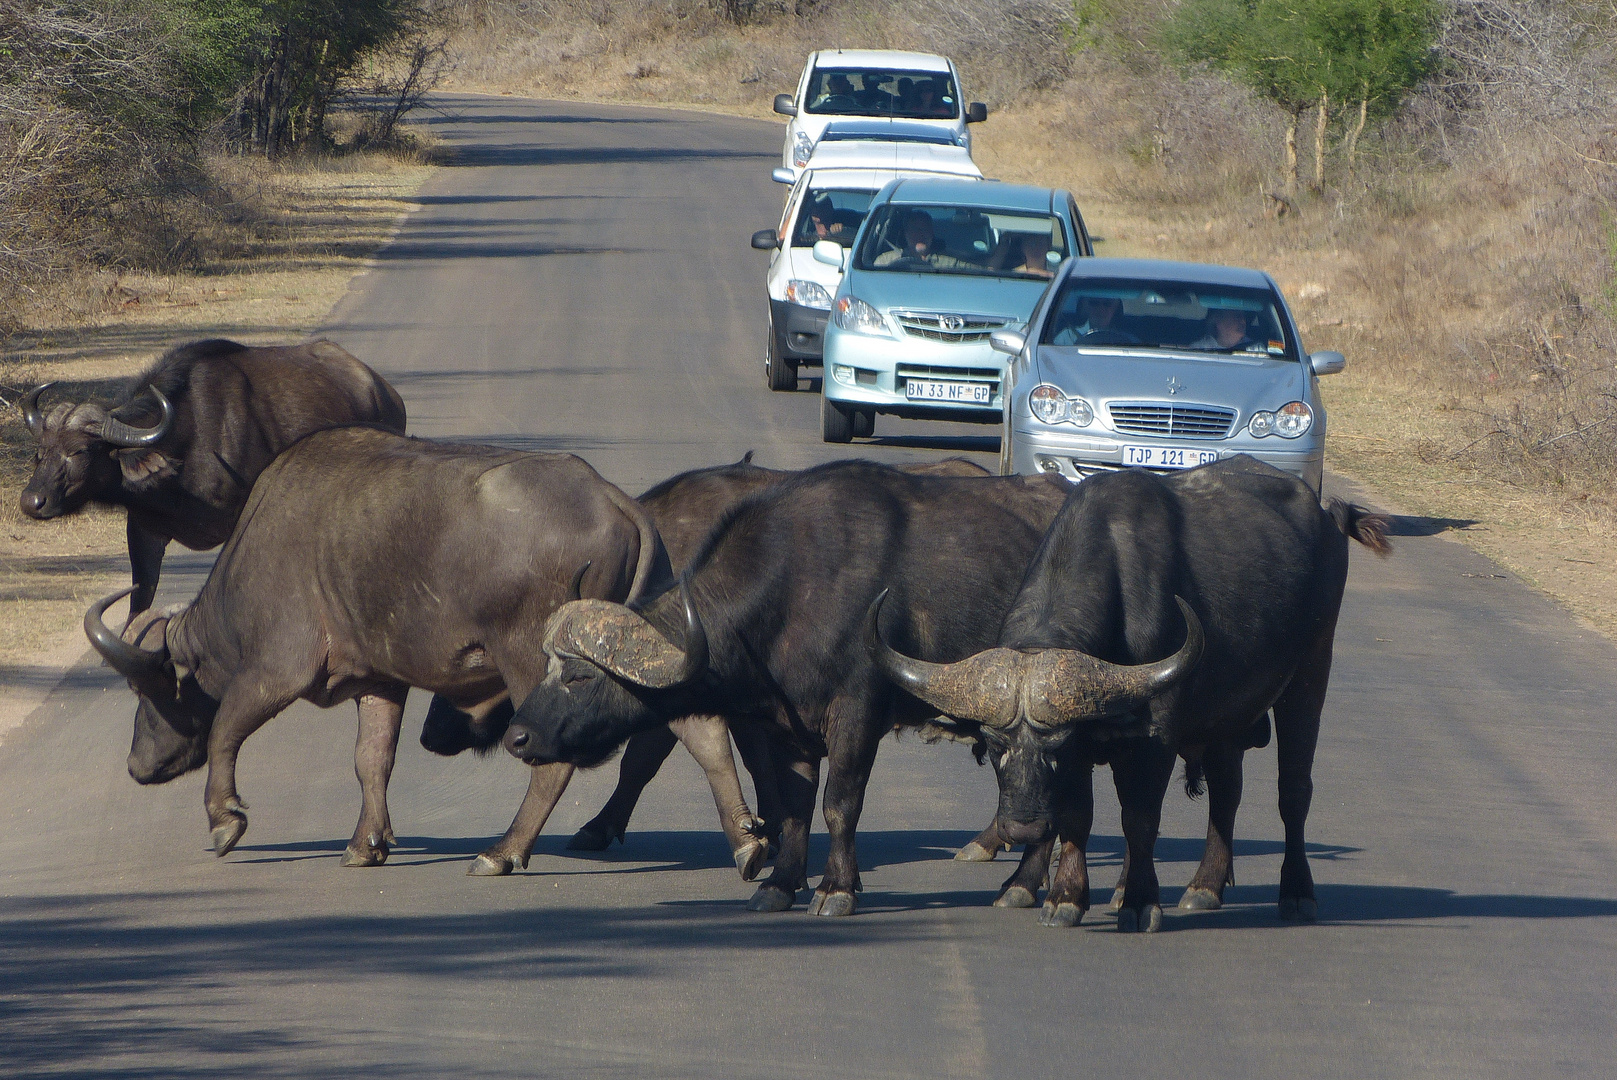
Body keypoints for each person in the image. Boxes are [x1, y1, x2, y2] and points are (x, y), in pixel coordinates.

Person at [873, 211, 963, 268]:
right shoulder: (885, 261)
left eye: (925, 229)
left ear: (932, 233)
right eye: (914, 230)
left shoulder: (951, 263)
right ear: (905, 234)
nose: (920, 234)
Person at [1051, 295, 1137, 344]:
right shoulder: (1067, 336)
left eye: (1107, 304)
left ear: (1115, 309)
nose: (1100, 309)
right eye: (1094, 303)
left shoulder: (1130, 341)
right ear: (1085, 307)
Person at [1188, 307, 1258, 350]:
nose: (1243, 321)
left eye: (1244, 317)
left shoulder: (1256, 349)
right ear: (1218, 320)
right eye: (1237, 317)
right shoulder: (1198, 350)